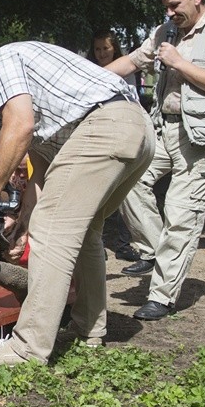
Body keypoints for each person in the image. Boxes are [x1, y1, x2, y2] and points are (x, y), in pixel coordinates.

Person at [0, 42, 154, 367]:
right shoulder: (46, 100)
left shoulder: (2, 60)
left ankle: (27, 347)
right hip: (137, 130)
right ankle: (87, 330)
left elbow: (18, 124)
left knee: (50, 231)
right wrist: (24, 220)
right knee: (86, 230)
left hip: (104, 126)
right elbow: (41, 176)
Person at [105, 0, 205, 320]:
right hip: (162, 130)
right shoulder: (166, 30)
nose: (170, 13)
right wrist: (91, 75)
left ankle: (162, 297)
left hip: (200, 139)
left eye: (175, 4)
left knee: (181, 216)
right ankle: (155, 248)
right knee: (125, 181)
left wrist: (179, 63)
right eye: (166, 6)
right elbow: (135, 60)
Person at [87, 30, 141, 262]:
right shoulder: (88, 69)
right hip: (96, 132)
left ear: (115, 49)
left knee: (123, 192)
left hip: (122, 131)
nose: (101, 54)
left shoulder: (126, 70)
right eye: (97, 49)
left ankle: (123, 243)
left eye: (105, 49)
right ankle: (94, 243)